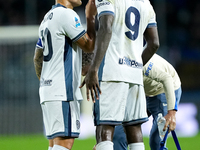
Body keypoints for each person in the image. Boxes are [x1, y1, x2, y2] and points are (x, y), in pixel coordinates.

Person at [80, 0, 159, 150]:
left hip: (111, 72)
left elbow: (106, 27)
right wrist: (134, 66)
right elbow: (154, 43)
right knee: (134, 128)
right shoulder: (146, 3)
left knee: (105, 127)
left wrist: (94, 69)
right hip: (134, 75)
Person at [33, 0, 97, 150]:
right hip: (62, 90)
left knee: (55, 144)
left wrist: (46, 83)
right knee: (64, 143)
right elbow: (89, 45)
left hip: (48, 90)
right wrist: (90, 17)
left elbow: (37, 57)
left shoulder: (47, 18)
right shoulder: (67, 15)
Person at [112, 53, 182, 150]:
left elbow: (167, 78)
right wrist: (104, 143)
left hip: (164, 90)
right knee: (118, 135)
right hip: (142, 92)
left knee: (156, 142)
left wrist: (172, 112)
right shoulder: (112, 65)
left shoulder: (138, 60)